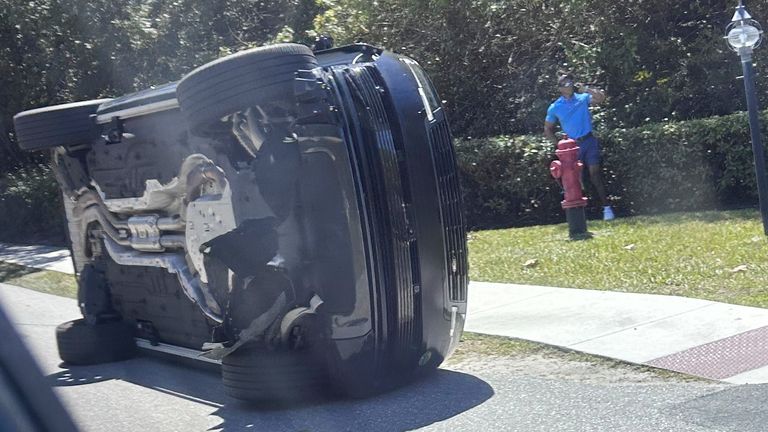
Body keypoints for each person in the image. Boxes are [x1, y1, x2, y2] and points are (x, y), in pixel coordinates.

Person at [544, 73, 614, 221]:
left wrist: (587, 89)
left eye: (570, 82)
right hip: (572, 147)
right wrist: (560, 146)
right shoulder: (555, 107)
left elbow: (601, 98)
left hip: (589, 140)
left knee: (595, 174)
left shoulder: (582, 98)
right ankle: (582, 213)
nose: (568, 85)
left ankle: (607, 208)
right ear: (560, 88)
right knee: (576, 180)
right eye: (564, 83)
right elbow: (548, 129)